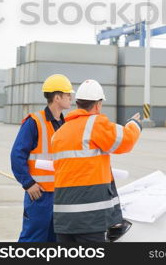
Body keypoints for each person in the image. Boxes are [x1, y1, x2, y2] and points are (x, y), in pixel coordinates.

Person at [51, 78, 142, 243]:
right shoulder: (94, 123)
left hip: (63, 218)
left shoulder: (59, 132)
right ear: (98, 104)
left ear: (77, 103)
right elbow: (126, 141)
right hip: (89, 219)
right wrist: (134, 124)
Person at [10, 74, 74, 242]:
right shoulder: (34, 122)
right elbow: (17, 155)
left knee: (56, 240)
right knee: (33, 239)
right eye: (68, 95)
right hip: (40, 195)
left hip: (60, 195)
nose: (71, 98)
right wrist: (28, 183)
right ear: (57, 97)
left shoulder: (64, 124)